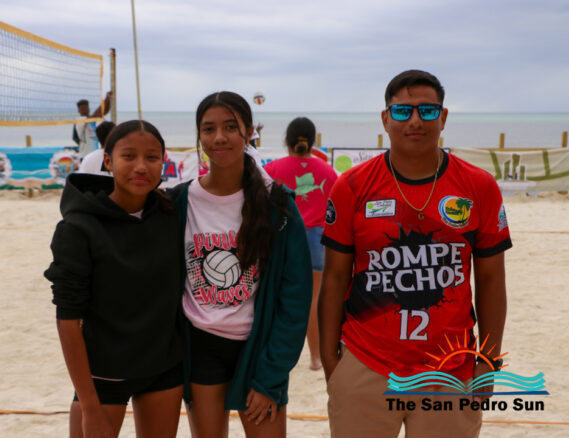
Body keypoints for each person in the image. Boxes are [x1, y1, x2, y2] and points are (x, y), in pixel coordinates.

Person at [319, 70, 512, 438]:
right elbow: (334, 278)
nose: (415, 121)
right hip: (367, 363)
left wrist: (488, 361)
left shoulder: (479, 186)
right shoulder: (352, 186)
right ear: (385, 118)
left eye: (427, 110)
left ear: (443, 117)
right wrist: (332, 362)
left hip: (450, 369)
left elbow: (490, 280)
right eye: (403, 111)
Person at [169, 91, 312, 438]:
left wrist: (271, 376)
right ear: (199, 136)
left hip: (258, 348)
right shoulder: (179, 201)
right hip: (200, 346)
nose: (219, 137)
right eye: (209, 129)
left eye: (230, 127)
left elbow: (295, 298)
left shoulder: (277, 204)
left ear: (249, 132)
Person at [45, 120, 184, 438]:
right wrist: (89, 408)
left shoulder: (170, 212)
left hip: (163, 368)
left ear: (164, 162)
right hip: (102, 375)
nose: (141, 166)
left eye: (152, 157)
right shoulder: (77, 228)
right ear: (108, 160)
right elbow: (68, 320)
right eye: (128, 156)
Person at [264, 117, 338, 371]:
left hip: (284, 236)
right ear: (313, 141)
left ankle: (275, 354)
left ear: (287, 140)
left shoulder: (272, 169)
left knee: (277, 298)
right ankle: (316, 358)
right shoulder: (328, 171)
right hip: (317, 239)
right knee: (313, 301)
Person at [73, 91, 112, 157]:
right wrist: (107, 98)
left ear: (88, 109)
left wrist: (108, 99)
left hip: (94, 154)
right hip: (84, 156)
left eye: (85, 108)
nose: (84, 110)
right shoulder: (79, 120)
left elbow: (104, 111)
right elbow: (98, 113)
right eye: (82, 109)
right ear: (79, 111)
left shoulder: (93, 121)